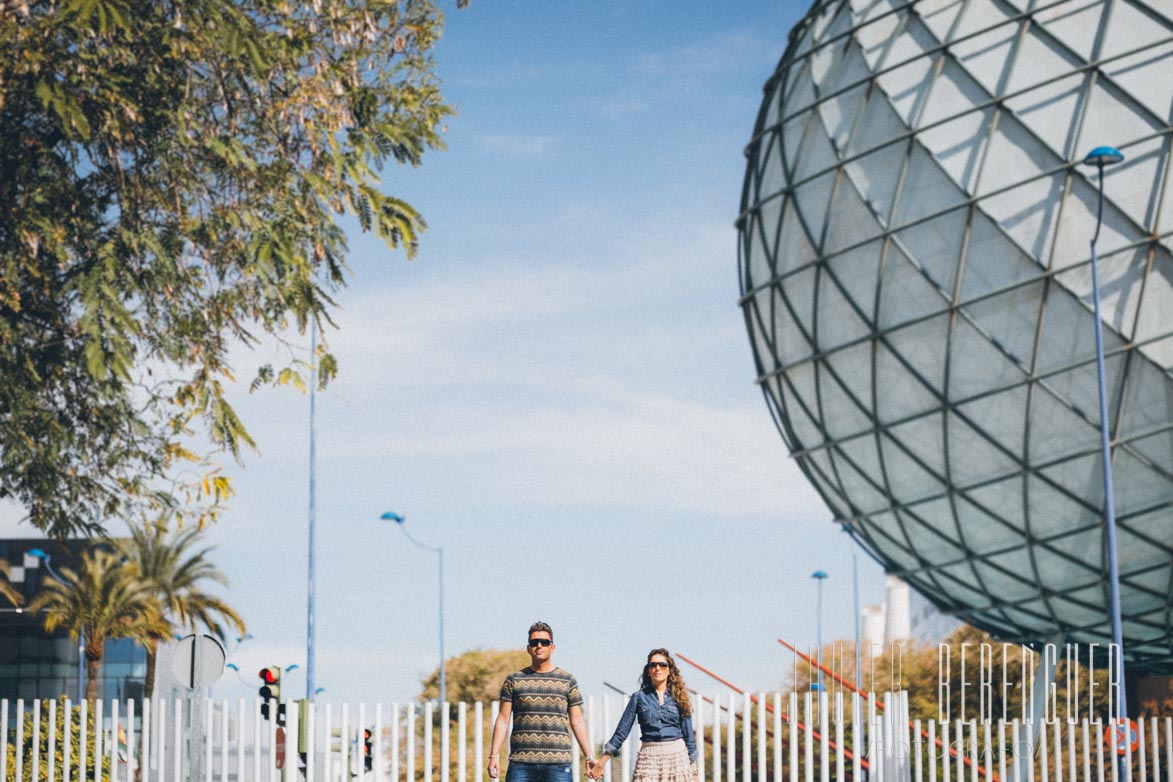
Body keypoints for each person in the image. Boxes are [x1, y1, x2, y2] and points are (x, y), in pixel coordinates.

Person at [488, 622, 595, 782]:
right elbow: (503, 720)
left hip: (558, 764)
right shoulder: (514, 680)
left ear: (552, 647)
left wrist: (588, 756)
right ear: (528, 648)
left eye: (544, 642)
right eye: (534, 642)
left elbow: (577, 721)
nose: (539, 646)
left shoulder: (567, 680)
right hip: (521, 764)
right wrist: (493, 755)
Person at [588, 649, 698, 782]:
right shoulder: (638, 697)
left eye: (662, 665)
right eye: (653, 665)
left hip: (677, 758)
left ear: (669, 669)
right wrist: (601, 763)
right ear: (648, 670)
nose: (658, 668)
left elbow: (689, 737)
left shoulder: (680, 697)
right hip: (649, 758)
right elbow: (621, 733)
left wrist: (694, 770)